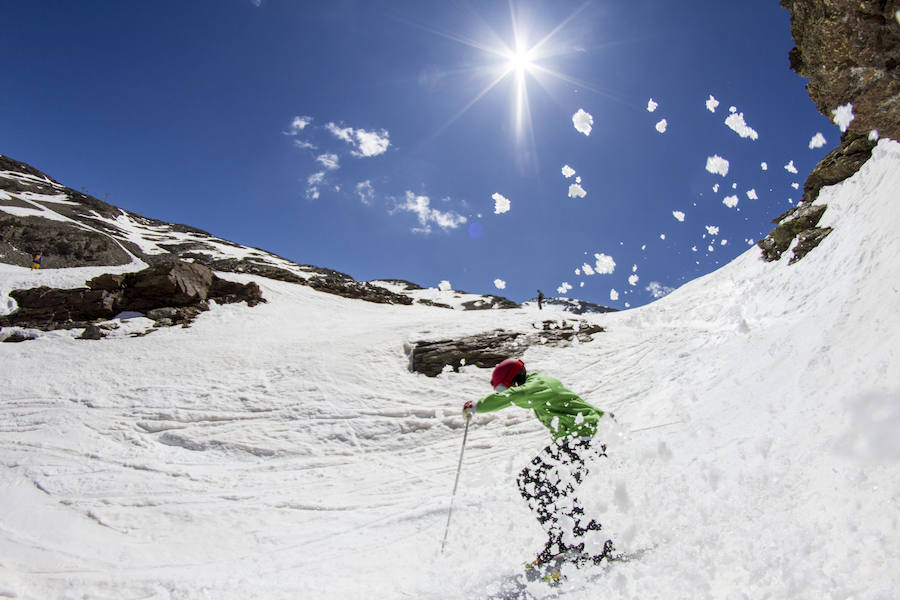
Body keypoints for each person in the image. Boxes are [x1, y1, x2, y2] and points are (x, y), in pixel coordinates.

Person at [463, 358, 614, 568]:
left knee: (534, 481)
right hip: (582, 439)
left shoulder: (539, 384)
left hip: (588, 437)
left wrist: (477, 406)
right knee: (547, 485)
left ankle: (584, 541)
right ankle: (573, 538)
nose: (505, 392)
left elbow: (515, 395)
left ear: (514, 380)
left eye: (505, 388)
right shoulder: (536, 390)